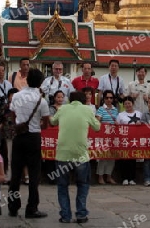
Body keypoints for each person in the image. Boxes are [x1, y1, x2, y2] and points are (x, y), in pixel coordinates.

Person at [50, 91, 100, 223]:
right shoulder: (87, 109)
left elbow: (53, 122)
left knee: (62, 186)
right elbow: (97, 127)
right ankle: (81, 214)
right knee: (83, 184)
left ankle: (65, 216)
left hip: (63, 154)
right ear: (84, 100)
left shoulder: (62, 108)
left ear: (69, 100)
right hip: (81, 155)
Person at [8, 68, 49, 219]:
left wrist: (19, 124)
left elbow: (13, 115)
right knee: (34, 174)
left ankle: (13, 206)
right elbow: (46, 124)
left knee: (16, 174)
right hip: (33, 137)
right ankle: (31, 208)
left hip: (19, 136)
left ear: (27, 79)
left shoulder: (17, 96)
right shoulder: (41, 100)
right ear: (39, 83)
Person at [116, 97, 142, 185]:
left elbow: (144, 126)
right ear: (123, 105)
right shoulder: (120, 115)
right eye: (125, 103)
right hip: (124, 140)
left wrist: (140, 124)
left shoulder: (139, 114)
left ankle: (132, 178)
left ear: (133, 103)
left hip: (135, 140)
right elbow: (117, 127)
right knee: (124, 160)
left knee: (133, 159)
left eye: (129, 103)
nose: (127, 105)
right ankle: (124, 178)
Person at [95, 90, 119, 184]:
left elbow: (118, 120)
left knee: (111, 157)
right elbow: (97, 121)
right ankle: (100, 177)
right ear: (103, 99)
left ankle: (109, 176)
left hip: (113, 136)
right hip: (103, 136)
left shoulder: (115, 109)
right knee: (102, 157)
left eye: (111, 98)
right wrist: (105, 123)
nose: (109, 99)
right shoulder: (101, 109)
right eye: (107, 98)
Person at [2, 88, 19, 184]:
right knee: (9, 156)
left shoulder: (22, 106)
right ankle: (9, 176)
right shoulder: (5, 107)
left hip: (19, 134)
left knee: (18, 157)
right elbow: (2, 119)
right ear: (8, 96)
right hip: (9, 135)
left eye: (15, 95)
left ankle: (17, 176)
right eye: (11, 95)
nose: (13, 97)